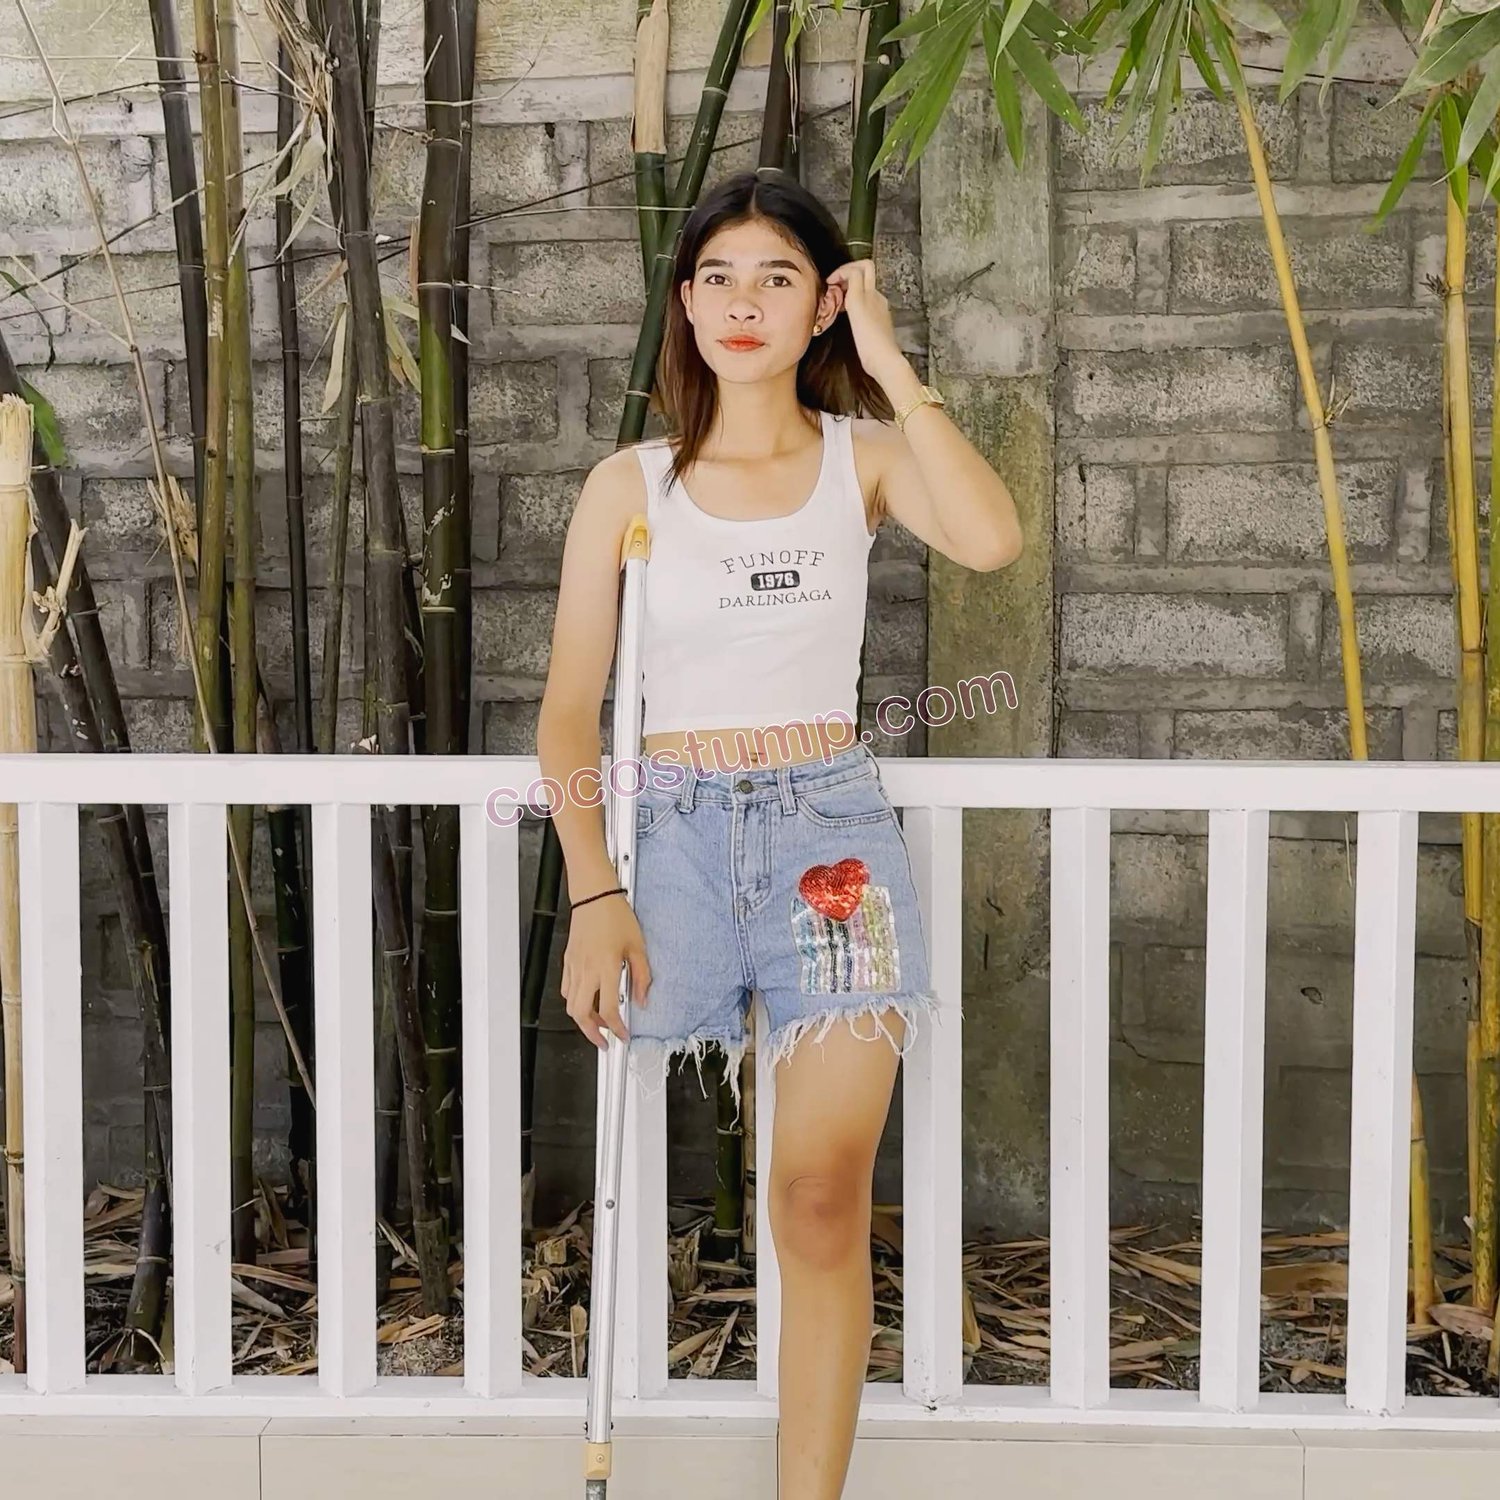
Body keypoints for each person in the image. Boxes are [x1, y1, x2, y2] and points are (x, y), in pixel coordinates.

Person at [536, 166, 1022, 1499]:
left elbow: (990, 540)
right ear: (686, 304)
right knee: (666, 1160)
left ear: (822, 307)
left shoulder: (864, 461)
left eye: (779, 277)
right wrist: (594, 893)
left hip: (831, 843)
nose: (742, 302)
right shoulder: (631, 485)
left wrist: (893, 364)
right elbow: (569, 717)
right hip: (677, 842)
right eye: (717, 277)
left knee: (817, 1197)